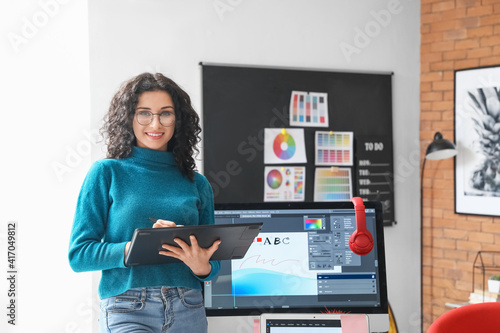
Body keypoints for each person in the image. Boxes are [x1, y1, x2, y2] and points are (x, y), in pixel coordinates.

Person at [68, 72, 221, 333]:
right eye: (144, 113)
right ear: (129, 118)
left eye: (165, 113)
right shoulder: (107, 172)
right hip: (128, 307)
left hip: (188, 307)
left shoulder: (198, 183)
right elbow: (79, 255)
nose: (155, 123)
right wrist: (139, 246)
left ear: (177, 120)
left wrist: (202, 266)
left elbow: (213, 262)